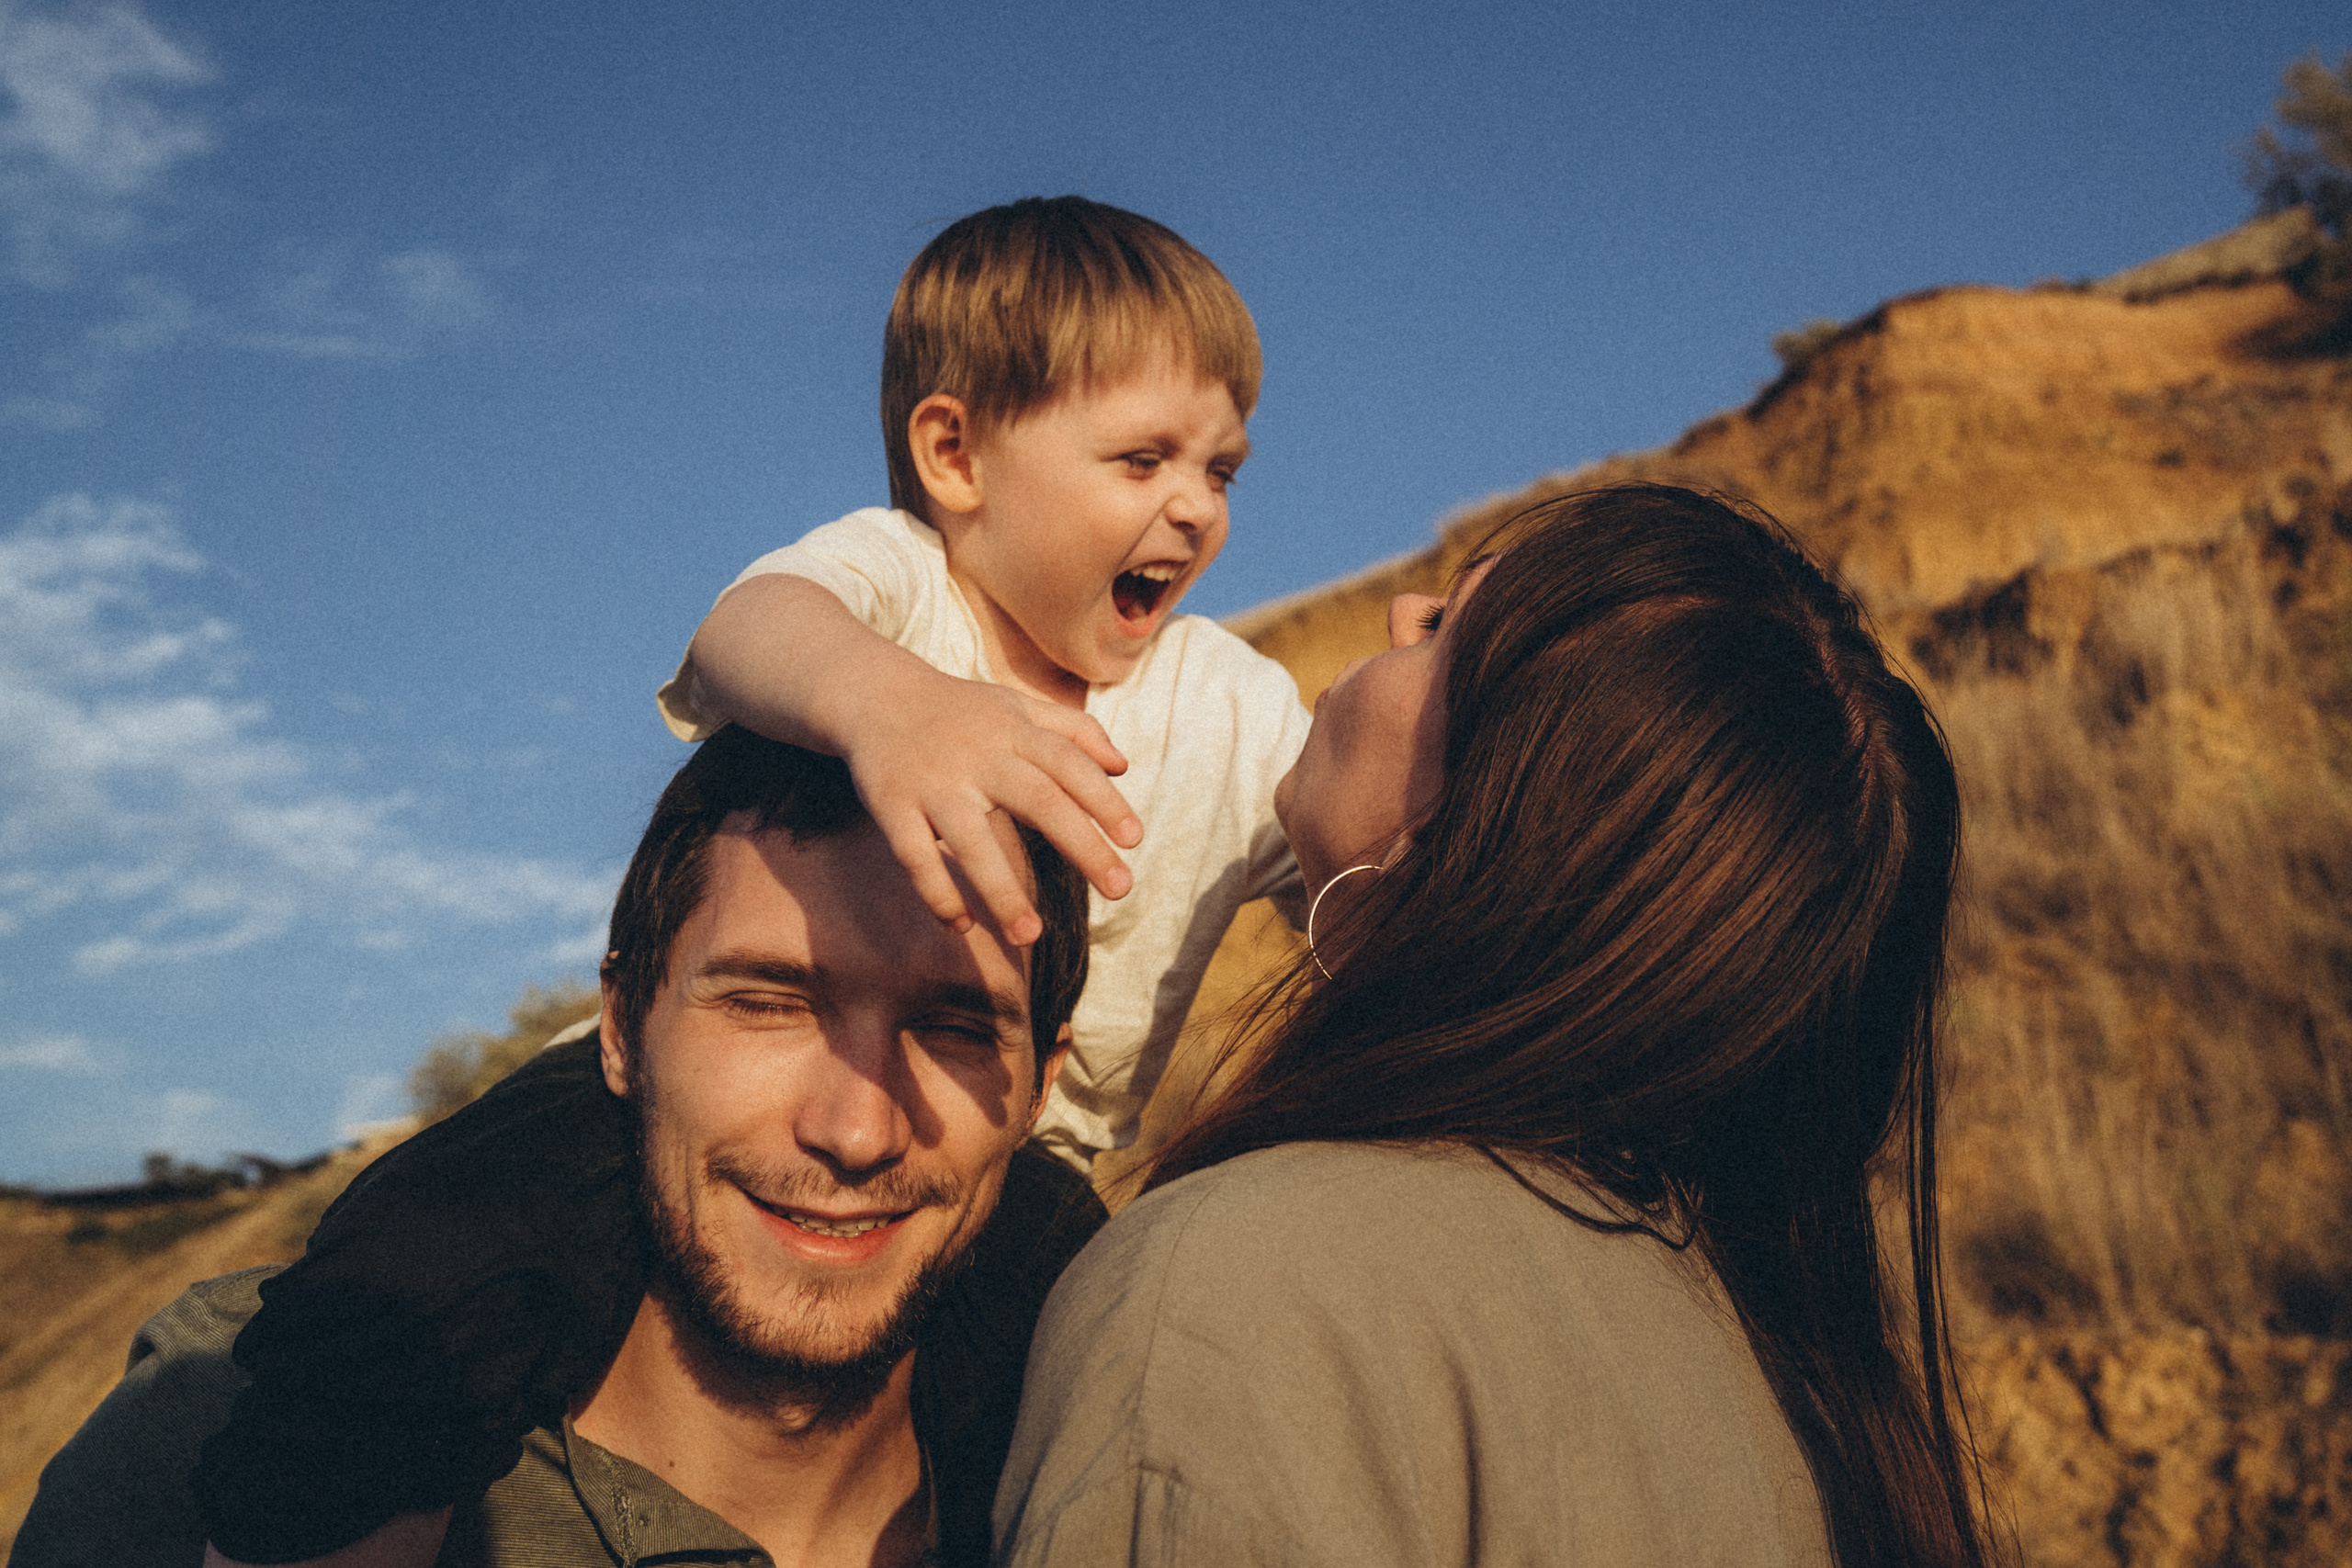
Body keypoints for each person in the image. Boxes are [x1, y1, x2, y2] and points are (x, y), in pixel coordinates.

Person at [185, 194, 1310, 1562]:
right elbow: (743, 630)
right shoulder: (903, 589)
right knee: (435, 1270)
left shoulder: (1232, 702)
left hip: (1019, 1161)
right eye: (1142, 459)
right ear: (955, 453)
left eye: (1223, 470)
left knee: (1087, 1377)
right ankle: (313, 1531)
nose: (1193, 508)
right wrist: (886, 704)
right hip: (625, 1113)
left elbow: (1356, 878)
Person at [994, 485, 1999, 1568]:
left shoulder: (1240, 1299)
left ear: (1460, 827)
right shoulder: (1800, 1393)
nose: (1398, 612)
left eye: (1443, 633)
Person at [12, 728, 1102, 1568]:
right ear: (622, 1029)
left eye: (956, 1028)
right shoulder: (244, 1419)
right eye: (769, 1004)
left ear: (1041, 1086)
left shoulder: (1117, 1484)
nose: (856, 1130)